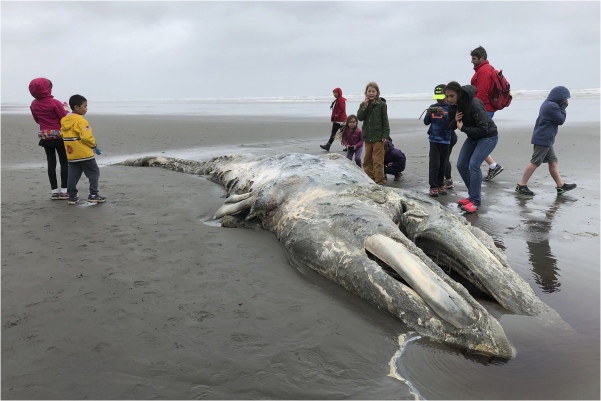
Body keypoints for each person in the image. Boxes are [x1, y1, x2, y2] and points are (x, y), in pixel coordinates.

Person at [445, 81, 498, 213]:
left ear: (459, 94)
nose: (449, 99)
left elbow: (483, 129)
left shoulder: (475, 104)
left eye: (452, 96)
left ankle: (475, 201)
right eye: (447, 96)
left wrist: (463, 128)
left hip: (488, 137)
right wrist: (454, 120)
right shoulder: (453, 106)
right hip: (473, 137)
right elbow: (449, 126)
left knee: (474, 164)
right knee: (461, 165)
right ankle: (472, 195)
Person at [515, 86, 576, 196]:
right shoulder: (552, 106)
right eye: (565, 98)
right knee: (535, 162)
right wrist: (564, 107)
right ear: (559, 97)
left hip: (545, 138)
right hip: (543, 138)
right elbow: (560, 120)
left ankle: (560, 185)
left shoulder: (548, 103)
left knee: (552, 161)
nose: (566, 100)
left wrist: (561, 106)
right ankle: (522, 185)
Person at [29, 77, 70, 200]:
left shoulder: (34, 104)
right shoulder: (55, 103)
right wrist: (66, 109)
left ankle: (54, 191)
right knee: (64, 162)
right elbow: (64, 118)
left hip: (45, 136)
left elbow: (37, 120)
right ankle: (64, 190)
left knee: (51, 163)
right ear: (48, 88)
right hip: (59, 135)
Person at [61, 94, 106, 205]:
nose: (86, 109)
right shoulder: (81, 121)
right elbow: (86, 137)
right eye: (85, 106)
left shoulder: (65, 121)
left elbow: (62, 134)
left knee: (73, 175)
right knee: (94, 172)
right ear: (76, 107)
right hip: (84, 153)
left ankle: (72, 196)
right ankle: (93, 194)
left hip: (71, 153)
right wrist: (93, 145)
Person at [470, 45, 504, 181]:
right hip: (485, 108)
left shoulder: (484, 71)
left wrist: (474, 110)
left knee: (479, 139)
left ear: (482, 58)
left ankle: (490, 166)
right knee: (478, 139)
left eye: (474, 58)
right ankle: (493, 165)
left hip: (484, 109)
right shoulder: (484, 69)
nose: (472, 61)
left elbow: (481, 93)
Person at [357, 82, 390, 185]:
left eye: (373, 91)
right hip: (368, 137)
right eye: (369, 91)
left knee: (378, 161)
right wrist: (365, 106)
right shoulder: (363, 105)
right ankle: (371, 180)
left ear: (377, 92)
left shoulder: (382, 105)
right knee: (367, 161)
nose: (371, 93)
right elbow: (360, 117)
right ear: (366, 92)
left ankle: (380, 181)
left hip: (378, 137)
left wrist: (385, 135)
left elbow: (385, 120)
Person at [423, 84, 453, 197]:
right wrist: (428, 114)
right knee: (434, 164)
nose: (439, 100)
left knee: (443, 164)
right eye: (437, 97)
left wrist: (443, 115)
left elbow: (452, 124)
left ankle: (441, 184)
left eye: (441, 97)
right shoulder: (432, 106)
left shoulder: (450, 108)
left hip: (446, 139)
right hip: (434, 140)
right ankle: (433, 186)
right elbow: (426, 122)